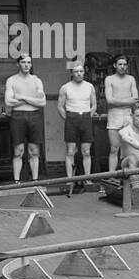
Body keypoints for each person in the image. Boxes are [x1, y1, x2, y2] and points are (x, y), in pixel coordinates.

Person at [4, 53, 46, 181]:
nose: (26, 65)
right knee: (18, 151)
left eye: (28, 62)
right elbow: (8, 102)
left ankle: (35, 181)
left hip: (34, 116)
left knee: (34, 151)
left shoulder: (36, 80)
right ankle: (17, 181)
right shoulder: (12, 80)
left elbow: (42, 102)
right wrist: (32, 99)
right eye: (23, 62)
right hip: (18, 116)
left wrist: (22, 97)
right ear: (18, 64)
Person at [57, 61, 97, 192]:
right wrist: (68, 119)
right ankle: (70, 179)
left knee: (86, 151)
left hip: (85, 117)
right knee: (70, 151)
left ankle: (87, 178)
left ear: (84, 72)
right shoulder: (65, 87)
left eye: (81, 71)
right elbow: (60, 107)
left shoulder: (90, 86)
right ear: (71, 73)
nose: (79, 74)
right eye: (76, 71)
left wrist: (87, 117)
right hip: (71, 118)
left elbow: (94, 105)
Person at [104, 54, 139, 172]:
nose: (122, 67)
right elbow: (109, 100)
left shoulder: (131, 79)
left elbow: (135, 98)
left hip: (128, 115)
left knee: (130, 147)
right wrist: (126, 102)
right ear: (115, 65)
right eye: (120, 64)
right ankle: (111, 175)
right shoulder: (109, 79)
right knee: (114, 148)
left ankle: (129, 173)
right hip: (114, 115)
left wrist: (118, 101)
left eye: (124, 64)